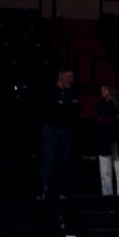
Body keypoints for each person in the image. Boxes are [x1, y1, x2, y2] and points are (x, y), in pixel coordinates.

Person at [39, 69, 80, 199]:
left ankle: (62, 189)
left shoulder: (72, 92)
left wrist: (63, 104)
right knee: (49, 159)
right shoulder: (50, 90)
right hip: (51, 129)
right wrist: (66, 105)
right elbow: (51, 107)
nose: (71, 80)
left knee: (65, 160)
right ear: (61, 76)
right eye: (69, 77)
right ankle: (45, 187)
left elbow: (76, 107)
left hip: (66, 130)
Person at [95, 84, 119, 196]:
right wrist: (113, 119)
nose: (102, 91)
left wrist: (110, 120)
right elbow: (98, 120)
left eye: (105, 89)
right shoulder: (100, 105)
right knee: (105, 174)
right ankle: (107, 198)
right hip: (105, 143)